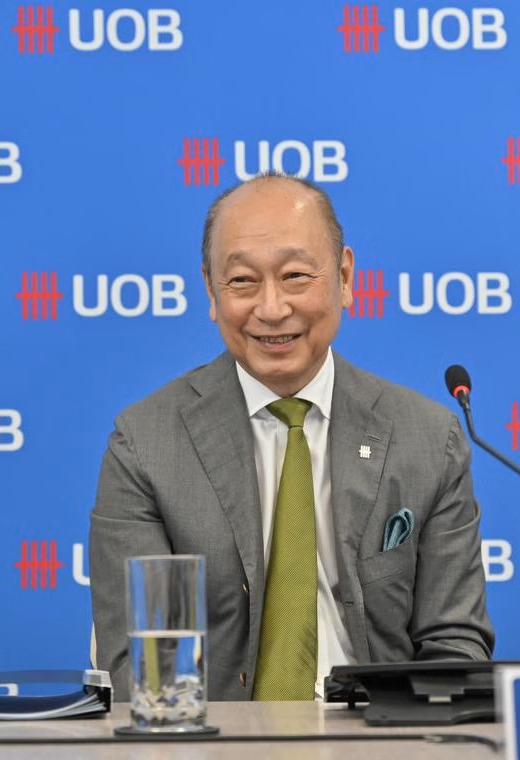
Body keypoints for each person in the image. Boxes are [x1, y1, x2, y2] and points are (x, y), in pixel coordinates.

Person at [90, 173, 494, 701]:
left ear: (344, 277)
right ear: (211, 290)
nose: (272, 308)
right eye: (242, 281)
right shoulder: (146, 444)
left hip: (380, 733)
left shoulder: (427, 439)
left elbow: (454, 645)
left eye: (296, 276)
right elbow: (139, 666)